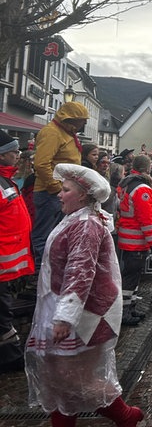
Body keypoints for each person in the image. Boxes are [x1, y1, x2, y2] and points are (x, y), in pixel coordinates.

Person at [25, 163, 144, 427]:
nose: (59, 194)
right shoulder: (76, 219)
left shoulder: (86, 225)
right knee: (62, 377)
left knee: (72, 378)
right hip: (75, 311)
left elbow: (80, 272)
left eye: (65, 190)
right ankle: (124, 415)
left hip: (89, 315)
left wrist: (65, 318)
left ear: (82, 195)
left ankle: (125, 415)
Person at [31, 102, 89, 269]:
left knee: (55, 235)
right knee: (44, 235)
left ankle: (48, 273)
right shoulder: (52, 133)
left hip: (60, 193)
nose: (84, 124)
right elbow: (41, 164)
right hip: (50, 193)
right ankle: (40, 274)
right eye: (82, 120)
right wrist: (57, 188)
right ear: (70, 118)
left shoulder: (66, 133)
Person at [0, 131, 34, 374]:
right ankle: (9, 357)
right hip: (2, 258)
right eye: (14, 152)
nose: (18, 156)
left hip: (7, 259)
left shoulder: (6, 180)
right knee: (1, 309)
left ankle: (9, 353)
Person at [116, 155, 152, 326]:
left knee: (133, 276)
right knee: (131, 277)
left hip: (128, 237)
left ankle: (131, 306)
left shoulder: (127, 184)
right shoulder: (142, 189)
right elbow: (146, 218)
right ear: (147, 168)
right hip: (136, 240)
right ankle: (125, 312)